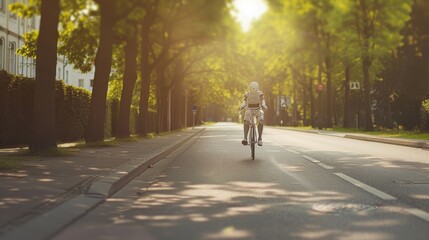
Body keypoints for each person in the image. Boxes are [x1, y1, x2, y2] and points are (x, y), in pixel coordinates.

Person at [239, 81, 267, 146]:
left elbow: (262, 100)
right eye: (252, 88)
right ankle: (245, 138)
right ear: (250, 88)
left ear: (257, 88)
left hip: (258, 109)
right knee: (246, 120)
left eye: (255, 88)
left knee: (261, 120)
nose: (253, 89)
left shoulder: (260, 93)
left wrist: (263, 105)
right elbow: (244, 101)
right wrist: (242, 106)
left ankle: (260, 138)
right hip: (249, 110)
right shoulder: (247, 94)